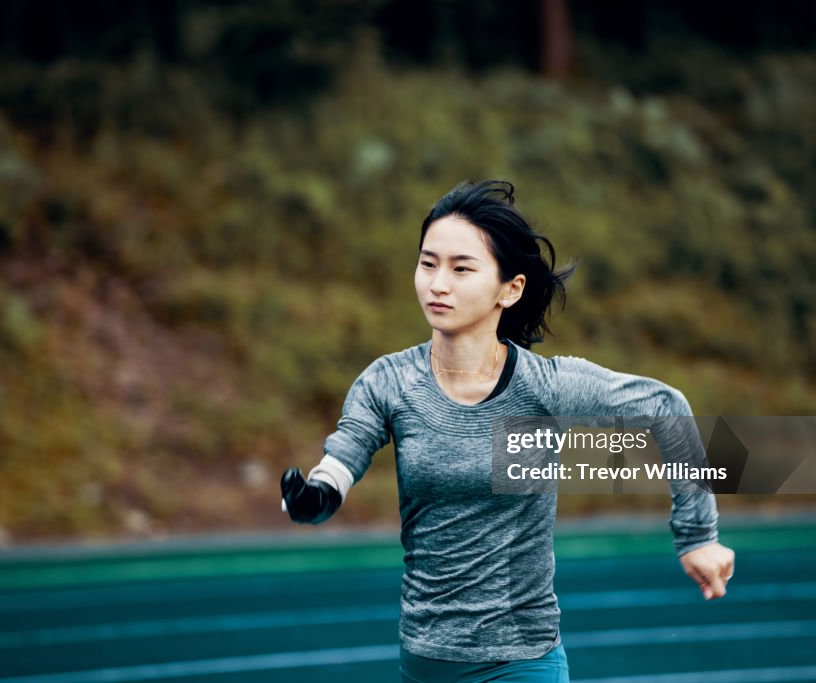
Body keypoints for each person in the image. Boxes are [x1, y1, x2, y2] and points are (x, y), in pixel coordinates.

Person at [280, 179, 735, 683]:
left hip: (521, 661)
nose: (438, 283)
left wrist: (697, 535)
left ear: (510, 288)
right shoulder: (390, 382)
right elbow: (343, 457)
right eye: (428, 263)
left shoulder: (546, 389)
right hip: (424, 661)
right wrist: (317, 495)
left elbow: (664, 406)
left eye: (461, 268)